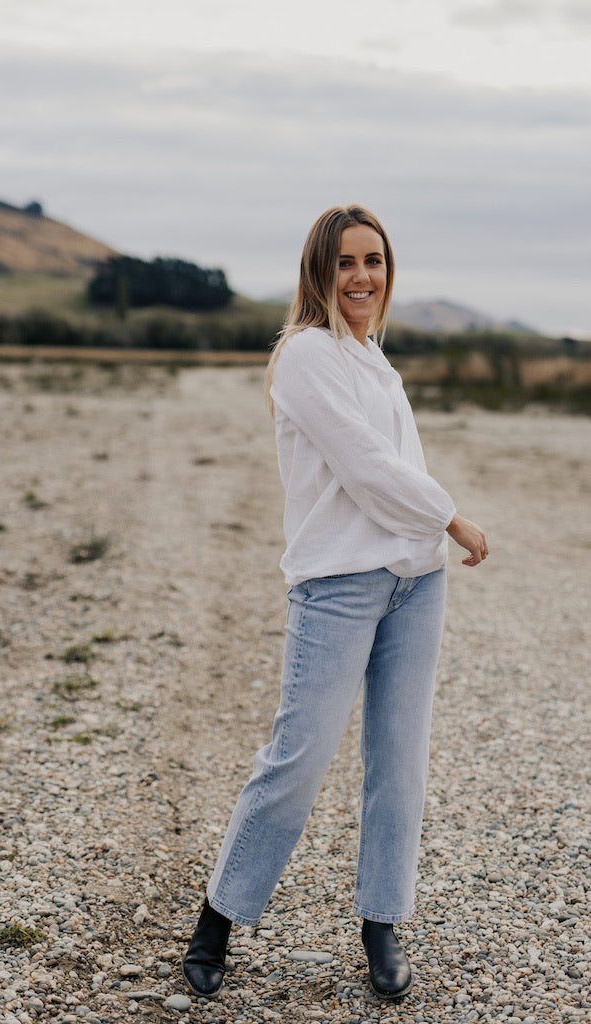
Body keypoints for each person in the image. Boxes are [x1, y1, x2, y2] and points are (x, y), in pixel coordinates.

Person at [182, 204, 488, 1001]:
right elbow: (365, 468)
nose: (361, 277)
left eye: (374, 261)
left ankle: (381, 925)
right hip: (337, 587)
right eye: (346, 262)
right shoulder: (305, 355)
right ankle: (218, 915)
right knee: (298, 758)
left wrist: (429, 537)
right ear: (319, 272)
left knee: (399, 763)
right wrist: (449, 514)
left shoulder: (371, 357)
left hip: (416, 584)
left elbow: (390, 469)